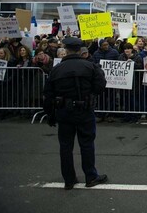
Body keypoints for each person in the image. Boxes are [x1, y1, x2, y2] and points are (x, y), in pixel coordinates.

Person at [42, 37, 108, 190]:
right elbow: (100, 86)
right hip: (84, 109)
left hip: (64, 111)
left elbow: (48, 94)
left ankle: (69, 179)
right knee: (87, 143)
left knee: (65, 146)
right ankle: (90, 176)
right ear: (80, 50)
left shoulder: (57, 69)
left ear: (66, 49)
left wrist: (50, 114)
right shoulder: (90, 66)